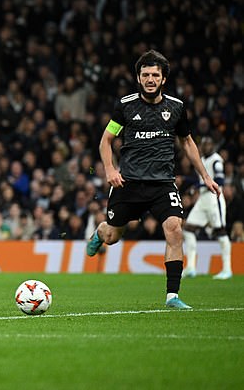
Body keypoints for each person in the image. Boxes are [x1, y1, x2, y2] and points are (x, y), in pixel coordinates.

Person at [86, 50, 220, 310]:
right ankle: (101, 231)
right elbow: (106, 140)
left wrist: (205, 176)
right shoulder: (125, 106)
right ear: (138, 77)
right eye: (145, 74)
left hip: (162, 183)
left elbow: (188, 142)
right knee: (113, 237)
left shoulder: (176, 107)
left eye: (155, 75)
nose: (150, 79)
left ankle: (172, 296)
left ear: (163, 79)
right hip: (129, 183)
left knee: (174, 229)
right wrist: (110, 170)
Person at [182, 136, 232, 279]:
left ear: (213, 145)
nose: (207, 146)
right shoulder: (202, 160)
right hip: (203, 199)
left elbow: (220, 180)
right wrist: (187, 181)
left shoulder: (216, 160)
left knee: (220, 231)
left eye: (209, 143)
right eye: (204, 144)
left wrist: (197, 187)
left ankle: (227, 269)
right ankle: (191, 267)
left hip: (214, 198)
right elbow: (199, 179)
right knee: (188, 229)